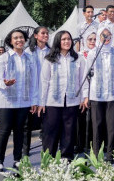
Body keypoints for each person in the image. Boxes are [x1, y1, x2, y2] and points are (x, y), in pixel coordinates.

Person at [0, 29, 39, 174]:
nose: (19, 40)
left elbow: (34, 82)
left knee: (20, 131)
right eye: (15, 38)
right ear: (10, 41)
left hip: (23, 102)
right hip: (5, 101)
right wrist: (5, 83)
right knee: (5, 130)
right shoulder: (4, 57)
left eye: (22, 37)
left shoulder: (30, 58)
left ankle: (17, 159)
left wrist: (34, 101)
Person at [38, 31, 85, 160]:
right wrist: (41, 102)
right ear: (58, 41)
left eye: (69, 39)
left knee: (69, 131)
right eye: (63, 39)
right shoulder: (49, 59)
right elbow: (44, 81)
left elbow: (82, 80)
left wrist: (83, 98)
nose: (67, 42)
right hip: (53, 101)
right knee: (51, 131)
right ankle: (49, 158)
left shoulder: (78, 58)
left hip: (72, 100)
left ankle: (66, 157)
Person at [82, 28, 114, 162]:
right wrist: (86, 95)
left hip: (111, 95)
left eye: (109, 35)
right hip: (96, 94)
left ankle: (110, 154)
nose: (106, 37)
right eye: (103, 35)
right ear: (100, 36)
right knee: (97, 125)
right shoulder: (92, 53)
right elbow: (86, 76)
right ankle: (96, 154)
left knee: (111, 126)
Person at [24, 26, 50, 157]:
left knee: (46, 123)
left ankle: (47, 150)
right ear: (35, 36)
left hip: (47, 92)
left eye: (47, 33)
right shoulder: (28, 52)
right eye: (43, 33)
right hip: (31, 91)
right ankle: (25, 150)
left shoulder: (51, 51)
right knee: (27, 124)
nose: (46, 35)